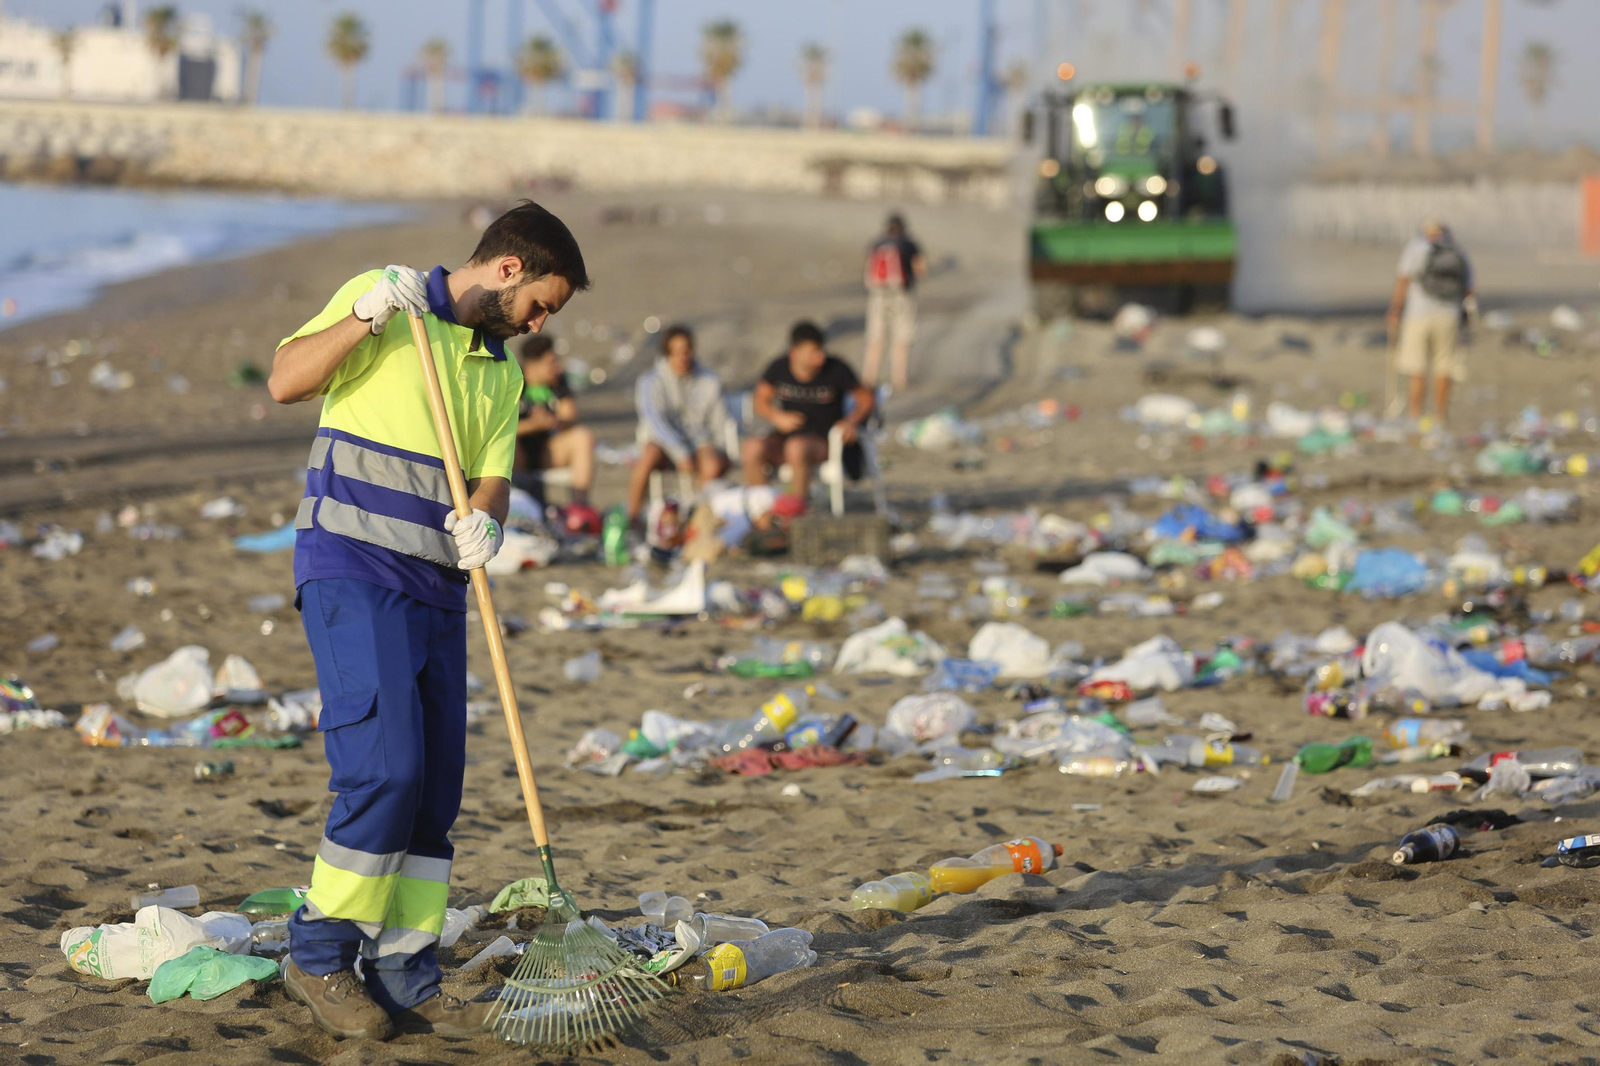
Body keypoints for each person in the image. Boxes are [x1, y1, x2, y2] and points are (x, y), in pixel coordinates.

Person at [266, 202, 588, 1040]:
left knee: (434, 792)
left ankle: (406, 970)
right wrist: (364, 320)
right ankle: (320, 955)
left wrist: (488, 519)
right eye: (542, 303)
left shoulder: (500, 370)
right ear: (508, 270)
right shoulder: (387, 299)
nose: (542, 321)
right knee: (385, 771)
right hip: (352, 567)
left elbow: (492, 478)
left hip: (442, 586)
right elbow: (287, 379)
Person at [744, 320, 874, 503]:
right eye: (813, 352)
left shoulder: (836, 368)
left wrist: (852, 421)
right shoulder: (778, 368)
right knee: (752, 447)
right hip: (786, 435)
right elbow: (759, 400)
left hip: (824, 439)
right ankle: (762, 512)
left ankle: (795, 512)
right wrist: (776, 416)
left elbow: (866, 398)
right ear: (794, 353)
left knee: (796, 447)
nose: (820, 357)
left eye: (820, 350)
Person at [626, 324, 731, 522]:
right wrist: (680, 452)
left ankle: (695, 518)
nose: (682, 357)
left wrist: (717, 449)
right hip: (664, 443)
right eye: (675, 352)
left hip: (700, 440)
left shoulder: (709, 380)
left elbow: (718, 421)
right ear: (667, 354)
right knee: (646, 457)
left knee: (712, 465)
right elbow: (655, 422)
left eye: (686, 350)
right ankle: (633, 519)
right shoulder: (650, 382)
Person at [1387, 218, 1475, 424]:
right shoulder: (1458, 251)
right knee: (1444, 367)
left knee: (1416, 368)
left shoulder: (1416, 248)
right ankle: (1441, 418)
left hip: (1418, 316)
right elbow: (1470, 289)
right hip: (1449, 316)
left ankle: (1415, 417)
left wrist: (1394, 311)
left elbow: (1403, 280)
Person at [515, 333, 596, 509]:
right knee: (506, 442)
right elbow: (499, 427)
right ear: (532, 365)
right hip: (517, 453)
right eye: (551, 363)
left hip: (548, 451)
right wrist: (533, 425)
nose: (557, 368)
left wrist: (553, 421)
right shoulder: (513, 380)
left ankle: (580, 506)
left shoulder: (558, 382)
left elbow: (570, 417)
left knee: (582, 437)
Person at [860, 213, 927, 392]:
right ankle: (899, 380)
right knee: (901, 340)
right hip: (902, 295)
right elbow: (921, 269)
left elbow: (867, 268)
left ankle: (869, 378)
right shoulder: (909, 244)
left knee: (875, 339)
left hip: (877, 296)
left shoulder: (875, 243)